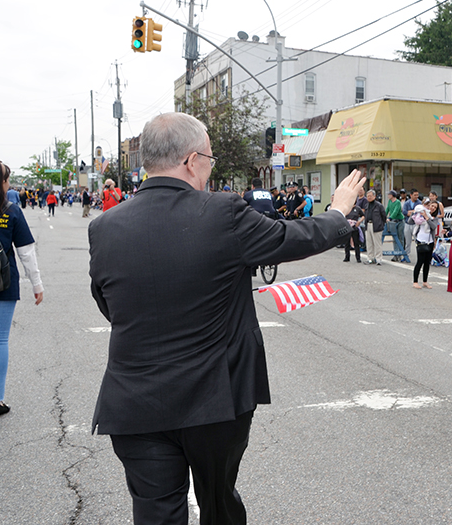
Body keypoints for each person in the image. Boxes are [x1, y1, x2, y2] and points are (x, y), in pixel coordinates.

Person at [88, 112, 364, 525]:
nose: (209, 169)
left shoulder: (104, 227)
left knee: (155, 514)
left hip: (134, 401)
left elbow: (109, 305)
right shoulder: (221, 212)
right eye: (210, 160)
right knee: (218, 505)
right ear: (190, 159)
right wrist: (339, 212)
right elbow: (294, 239)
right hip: (214, 401)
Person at [0, 159, 44, 419]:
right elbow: (27, 252)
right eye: (6, 180)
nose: (8, 184)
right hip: (2, 283)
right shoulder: (12, 211)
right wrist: (36, 284)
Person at [411, 205, 437, 289]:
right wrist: (415, 213)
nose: (432, 208)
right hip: (420, 240)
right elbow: (410, 221)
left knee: (427, 262)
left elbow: (433, 226)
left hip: (430, 241)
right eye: (431, 206)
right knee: (420, 261)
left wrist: (427, 217)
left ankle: (425, 281)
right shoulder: (419, 215)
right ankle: (415, 282)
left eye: (435, 207)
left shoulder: (433, 217)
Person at [363, 189, 386, 265]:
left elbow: (384, 216)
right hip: (368, 225)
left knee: (377, 243)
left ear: (374, 196)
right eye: (367, 196)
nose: (369, 197)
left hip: (376, 226)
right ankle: (370, 258)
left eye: (370, 196)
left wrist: (381, 225)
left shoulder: (379, 205)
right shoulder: (366, 205)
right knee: (369, 243)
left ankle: (378, 259)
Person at [384, 190, 407, 262]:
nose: (388, 196)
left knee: (400, 238)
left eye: (389, 194)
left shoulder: (397, 202)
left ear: (393, 195)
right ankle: (395, 254)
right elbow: (387, 209)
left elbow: (396, 211)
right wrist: (383, 216)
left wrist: (390, 218)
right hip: (393, 221)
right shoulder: (390, 202)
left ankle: (400, 254)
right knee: (394, 238)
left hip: (399, 221)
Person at [403, 189, 422, 263]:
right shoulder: (407, 203)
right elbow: (404, 212)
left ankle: (420, 256)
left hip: (416, 224)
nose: (416, 196)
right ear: (411, 195)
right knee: (407, 242)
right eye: (415, 195)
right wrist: (413, 212)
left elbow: (419, 212)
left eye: (417, 195)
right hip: (407, 223)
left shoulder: (419, 203)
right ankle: (406, 256)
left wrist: (411, 212)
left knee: (417, 241)